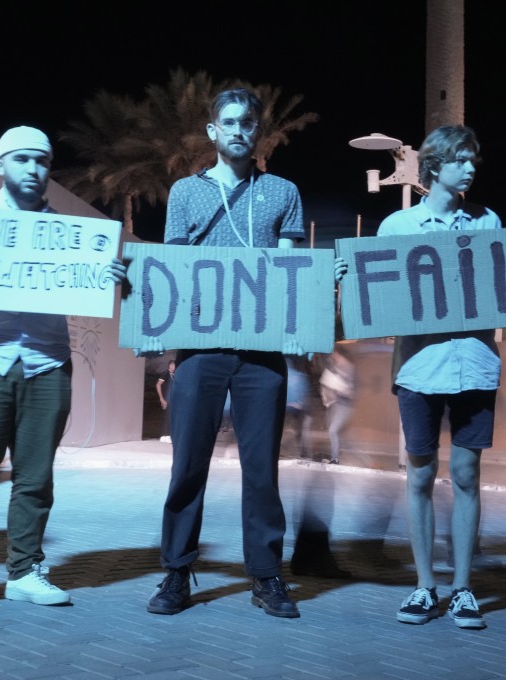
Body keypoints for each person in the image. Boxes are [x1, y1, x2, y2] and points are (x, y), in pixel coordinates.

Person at [340, 124, 506, 630]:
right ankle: (423, 586)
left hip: (475, 363)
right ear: (434, 166)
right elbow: (372, 303)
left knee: (466, 474)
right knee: (417, 475)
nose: (471, 168)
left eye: (474, 160)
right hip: (418, 368)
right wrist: (349, 285)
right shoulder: (397, 228)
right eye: (462, 160)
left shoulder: (489, 221)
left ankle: (462, 589)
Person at [0, 126, 126, 612]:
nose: (33, 169)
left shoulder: (69, 232)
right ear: (0, 165)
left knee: (36, 477)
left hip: (47, 360)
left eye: (41, 161)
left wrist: (110, 278)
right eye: (21, 159)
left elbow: (85, 286)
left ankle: (24, 570)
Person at [145, 88, 305, 619]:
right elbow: (172, 269)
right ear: (213, 131)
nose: (239, 130)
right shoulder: (185, 194)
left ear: (258, 132)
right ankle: (176, 571)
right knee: (187, 465)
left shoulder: (283, 191)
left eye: (248, 123)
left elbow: (287, 273)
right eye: (229, 122)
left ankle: (266, 575)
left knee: (262, 470)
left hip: (261, 356)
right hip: (199, 350)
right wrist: (166, 348)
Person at [319, 347, 356, 464]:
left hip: (345, 405)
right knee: (338, 434)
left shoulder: (349, 368)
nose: (332, 356)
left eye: (334, 354)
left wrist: (341, 389)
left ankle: (335, 459)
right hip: (335, 404)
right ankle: (335, 457)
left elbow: (352, 391)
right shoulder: (336, 367)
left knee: (333, 431)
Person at [284, 356, 313, 458]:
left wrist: (299, 403)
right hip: (296, 408)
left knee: (301, 431)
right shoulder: (296, 376)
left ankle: (305, 454)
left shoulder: (296, 377)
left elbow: (303, 394)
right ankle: (304, 453)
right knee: (300, 431)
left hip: (302, 409)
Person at [155, 359, 176, 440]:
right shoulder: (165, 374)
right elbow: (158, 385)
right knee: (167, 417)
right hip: (167, 399)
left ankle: (169, 435)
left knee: (171, 417)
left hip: (173, 399)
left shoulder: (174, 375)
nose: (174, 367)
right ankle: (164, 435)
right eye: (173, 365)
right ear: (170, 366)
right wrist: (162, 399)